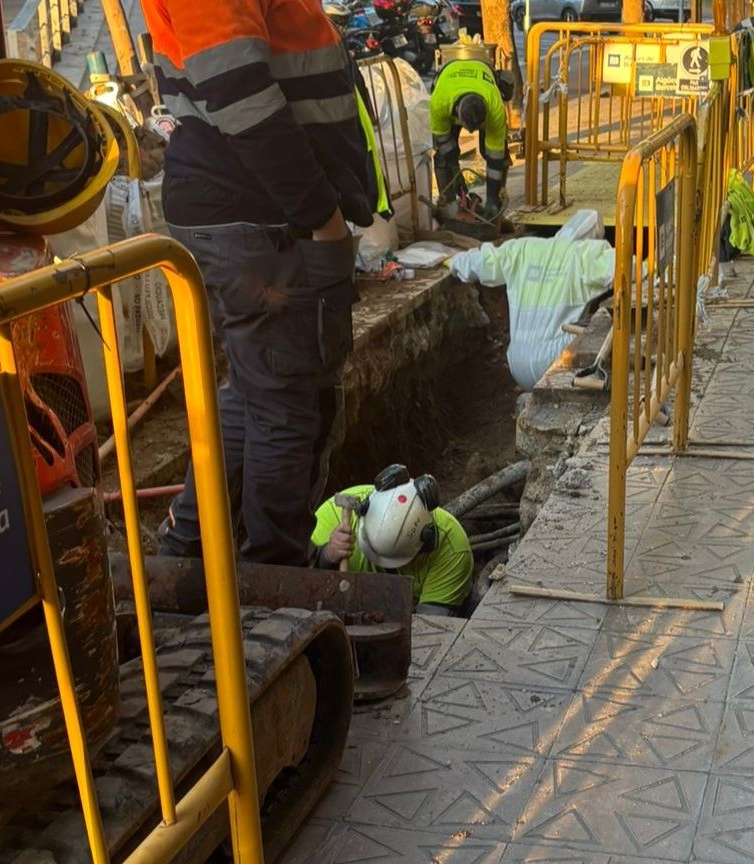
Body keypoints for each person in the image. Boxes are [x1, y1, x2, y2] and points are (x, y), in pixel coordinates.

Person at [142, 0, 383, 565]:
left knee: (256, 391)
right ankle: (276, 572)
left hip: (245, 211)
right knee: (289, 399)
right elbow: (239, 93)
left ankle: (189, 552)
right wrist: (320, 214)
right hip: (263, 215)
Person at [311, 466, 473, 616]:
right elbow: (299, 583)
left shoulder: (452, 551)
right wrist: (325, 555)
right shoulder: (332, 516)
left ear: (425, 541)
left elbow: (428, 628)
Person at [430, 57, 509, 220]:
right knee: (443, 157)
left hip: (482, 72)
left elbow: (496, 157)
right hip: (448, 75)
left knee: (495, 155)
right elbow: (443, 141)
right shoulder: (439, 102)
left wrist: (492, 198)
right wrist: (455, 170)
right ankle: (449, 208)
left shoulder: (495, 108)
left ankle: (495, 205)